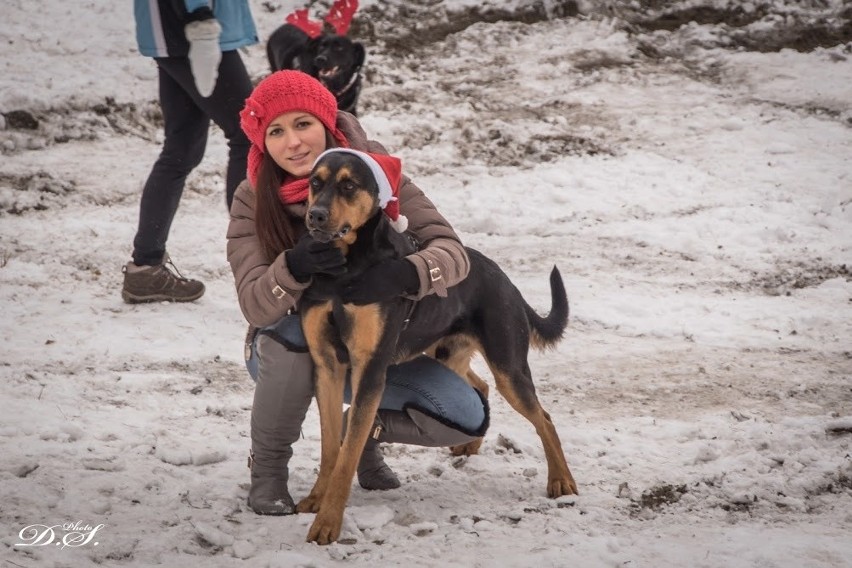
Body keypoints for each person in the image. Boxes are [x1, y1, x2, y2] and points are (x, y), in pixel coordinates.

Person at [227, 70, 489, 515]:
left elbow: (454, 255)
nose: (293, 142)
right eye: (276, 131)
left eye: (303, 123)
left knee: (461, 415)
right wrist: (293, 267)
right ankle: (269, 471)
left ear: (327, 124)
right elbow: (255, 303)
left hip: (375, 347)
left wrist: (408, 274)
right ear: (263, 143)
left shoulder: (375, 174)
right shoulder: (254, 197)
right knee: (293, 339)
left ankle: (362, 436)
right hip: (285, 351)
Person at [123, 1, 257, 304]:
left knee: (181, 149)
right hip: (192, 26)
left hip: (177, 29)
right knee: (249, 134)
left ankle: (145, 268)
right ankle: (254, 261)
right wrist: (200, 19)